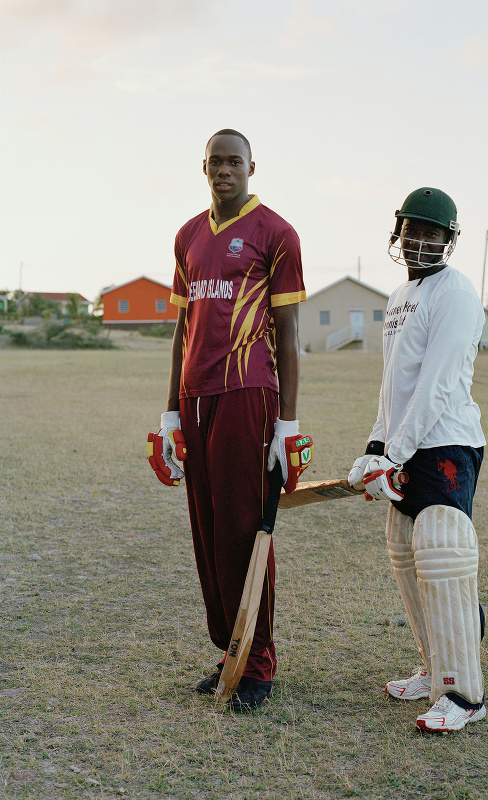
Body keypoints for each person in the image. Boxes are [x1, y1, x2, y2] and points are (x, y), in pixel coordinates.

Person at [148, 129, 310, 712]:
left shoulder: (277, 233)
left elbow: (290, 335)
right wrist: (170, 410)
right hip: (196, 398)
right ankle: (229, 650)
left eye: (234, 161)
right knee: (208, 530)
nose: (224, 169)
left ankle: (258, 664)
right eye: (215, 161)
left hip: (248, 393)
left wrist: (287, 425)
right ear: (204, 166)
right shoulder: (188, 235)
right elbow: (180, 329)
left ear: (251, 167)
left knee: (245, 529)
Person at [348, 187, 487, 733]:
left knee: (441, 551)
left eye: (434, 233)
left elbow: (437, 383)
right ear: (398, 231)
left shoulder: (456, 294)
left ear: (449, 241)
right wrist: (375, 450)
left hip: (448, 441)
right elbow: (395, 387)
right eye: (414, 229)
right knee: (407, 551)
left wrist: (397, 452)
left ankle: (462, 696)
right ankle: (435, 671)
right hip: (409, 443)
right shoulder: (401, 295)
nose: (421, 241)